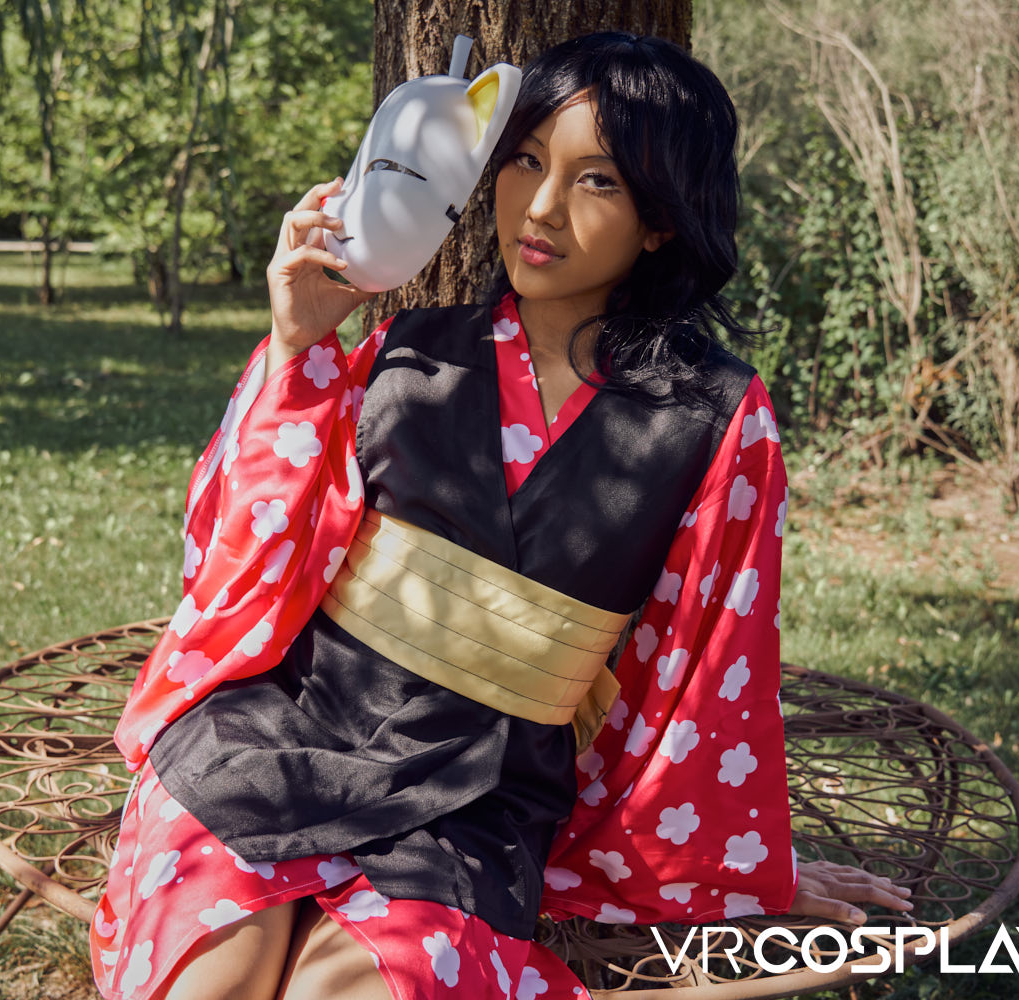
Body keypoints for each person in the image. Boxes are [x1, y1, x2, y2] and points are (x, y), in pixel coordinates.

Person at [89, 32, 910, 1000]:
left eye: (597, 180)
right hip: (283, 729)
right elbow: (244, 547)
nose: (543, 206)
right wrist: (295, 345)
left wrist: (737, 865)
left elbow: (699, 662)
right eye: (524, 160)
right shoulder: (408, 347)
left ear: (661, 218)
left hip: (475, 795)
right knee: (212, 980)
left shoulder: (714, 417)